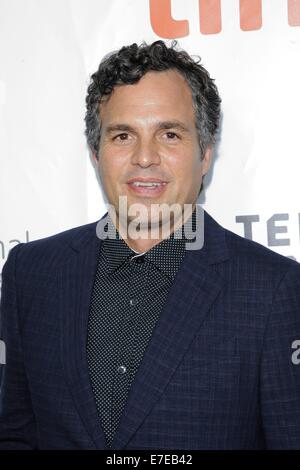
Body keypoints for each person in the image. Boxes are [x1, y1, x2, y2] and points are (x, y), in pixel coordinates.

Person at [0, 40, 300, 450]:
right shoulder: (31, 272)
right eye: (123, 135)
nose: (145, 157)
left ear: (206, 153)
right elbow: (15, 434)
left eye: (170, 134)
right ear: (96, 152)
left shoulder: (273, 289)